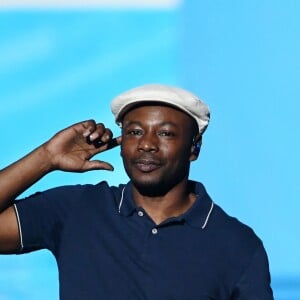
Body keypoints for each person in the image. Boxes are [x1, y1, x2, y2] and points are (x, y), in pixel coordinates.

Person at [0, 84, 273, 299]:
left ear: (194, 147)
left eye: (165, 133)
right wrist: (46, 158)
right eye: (135, 132)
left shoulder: (237, 245)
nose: (146, 144)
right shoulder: (77, 209)